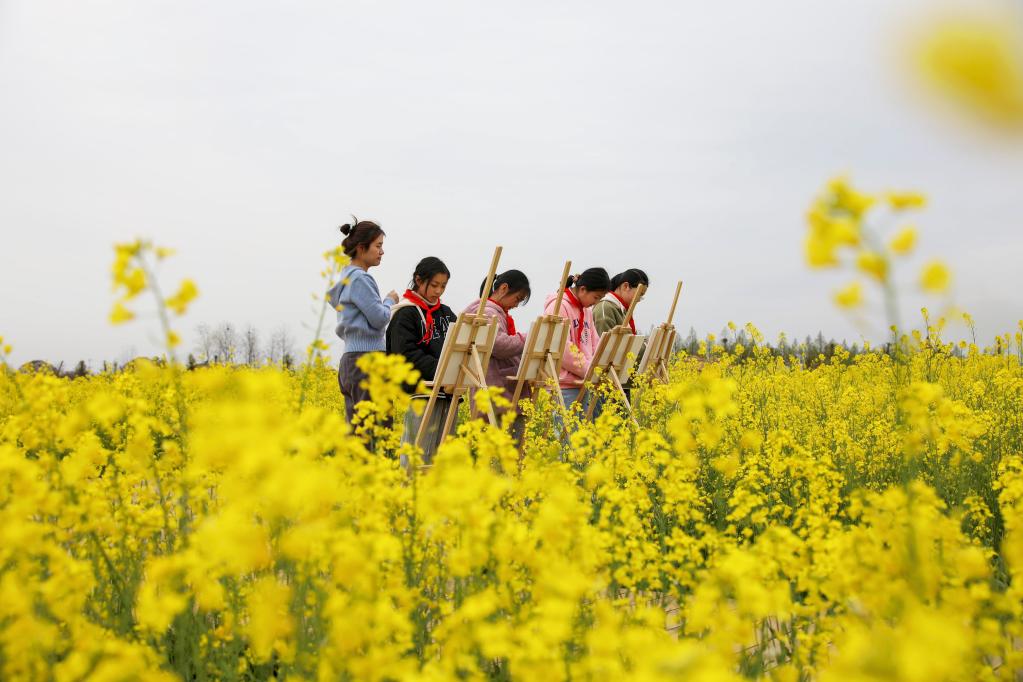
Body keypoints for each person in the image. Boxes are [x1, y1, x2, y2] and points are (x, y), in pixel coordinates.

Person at [327, 219, 399, 425]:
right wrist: (389, 301)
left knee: (358, 434)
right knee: (377, 433)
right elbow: (379, 318)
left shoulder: (346, 279)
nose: (382, 252)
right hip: (368, 361)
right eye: (378, 246)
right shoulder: (361, 279)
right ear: (361, 248)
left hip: (350, 360)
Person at [386, 257, 457, 461]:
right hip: (420, 394)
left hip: (447, 394)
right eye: (434, 285)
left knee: (442, 458)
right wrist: (444, 369)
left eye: (443, 286)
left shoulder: (446, 313)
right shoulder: (405, 313)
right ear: (419, 280)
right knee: (417, 454)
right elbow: (406, 355)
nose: (438, 291)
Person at [461, 269, 531, 412]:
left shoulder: (497, 313)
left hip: (501, 387)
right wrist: (529, 338)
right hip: (496, 388)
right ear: (504, 288)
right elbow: (499, 345)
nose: (516, 305)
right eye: (517, 298)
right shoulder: (487, 313)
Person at [543, 267, 611, 407]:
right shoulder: (558, 307)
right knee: (566, 428)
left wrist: (595, 369)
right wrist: (589, 370)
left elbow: (594, 343)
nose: (596, 302)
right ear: (583, 289)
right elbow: (563, 349)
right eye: (596, 297)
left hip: (582, 380)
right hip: (563, 384)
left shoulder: (587, 311)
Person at [594, 269, 649, 335]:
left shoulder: (622, 310)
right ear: (626, 286)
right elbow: (607, 343)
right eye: (639, 294)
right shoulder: (605, 308)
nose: (639, 300)